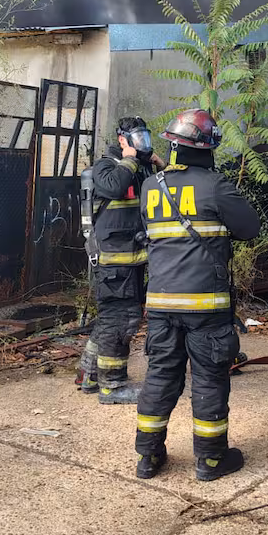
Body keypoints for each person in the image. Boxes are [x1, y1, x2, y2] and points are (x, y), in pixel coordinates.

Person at [133, 109, 261, 482]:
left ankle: (148, 457)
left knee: (160, 376)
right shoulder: (215, 185)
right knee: (208, 380)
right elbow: (249, 228)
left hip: (159, 304)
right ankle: (210, 460)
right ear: (208, 147)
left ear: (173, 146)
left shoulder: (150, 186)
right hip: (206, 306)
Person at [74, 116, 164, 404]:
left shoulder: (138, 168)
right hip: (113, 262)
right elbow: (113, 187)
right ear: (123, 139)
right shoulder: (106, 166)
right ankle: (112, 385)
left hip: (132, 260)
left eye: (145, 137)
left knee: (111, 320)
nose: (143, 143)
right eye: (138, 138)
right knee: (122, 321)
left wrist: (158, 163)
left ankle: (88, 374)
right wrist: (129, 158)